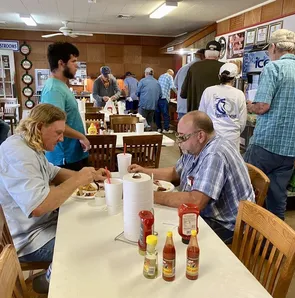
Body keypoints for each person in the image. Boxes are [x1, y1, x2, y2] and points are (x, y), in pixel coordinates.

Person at [0, 104, 107, 263]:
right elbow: (38, 206)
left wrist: (90, 176)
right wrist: (78, 179)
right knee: (91, 247)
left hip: (44, 224)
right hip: (30, 239)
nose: (62, 138)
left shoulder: (30, 145)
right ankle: (51, 279)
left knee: (94, 227)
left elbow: (53, 172)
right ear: (39, 127)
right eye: (58, 133)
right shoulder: (17, 153)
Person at [128, 111, 254, 243]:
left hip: (228, 225)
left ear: (200, 135)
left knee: (172, 237)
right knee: (164, 224)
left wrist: (148, 195)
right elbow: (175, 173)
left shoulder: (215, 154)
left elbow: (195, 202)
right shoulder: (195, 147)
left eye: (182, 137)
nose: (178, 142)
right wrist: (145, 171)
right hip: (211, 214)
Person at [244, 29, 295, 220]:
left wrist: (249, 105)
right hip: (288, 151)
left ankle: (245, 235)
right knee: (278, 199)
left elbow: (263, 106)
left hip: (265, 145)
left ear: (273, 47)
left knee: (248, 191)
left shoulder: (273, 68)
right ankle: (273, 243)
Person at [40, 42, 90, 171]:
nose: (77, 66)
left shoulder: (61, 85)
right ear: (61, 63)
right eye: (73, 61)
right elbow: (55, 125)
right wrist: (81, 136)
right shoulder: (54, 89)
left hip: (73, 152)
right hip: (64, 156)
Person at [199, 62, 247, 150]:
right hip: (232, 138)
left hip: (212, 136)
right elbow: (242, 122)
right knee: (230, 162)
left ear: (219, 76)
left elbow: (201, 116)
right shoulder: (239, 94)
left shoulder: (208, 91)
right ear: (234, 78)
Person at [181, 41, 223, 112]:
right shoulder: (223, 67)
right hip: (217, 113)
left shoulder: (194, 67)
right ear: (219, 54)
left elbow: (183, 93)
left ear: (205, 54)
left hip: (196, 113)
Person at [174, 49, 205, 120]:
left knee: (182, 130)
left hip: (182, 106)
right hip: (194, 108)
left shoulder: (182, 68)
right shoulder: (199, 69)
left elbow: (175, 85)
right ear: (203, 56)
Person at [155, 69, 177, 134]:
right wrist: (178, 94)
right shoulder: (169, 76)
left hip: (157, 98)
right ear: (171, 73)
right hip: (164, 98)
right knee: (166, 115)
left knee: (157, 114)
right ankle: (166, 129)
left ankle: (158, 128)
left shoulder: (161, 76)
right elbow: (173, 87)